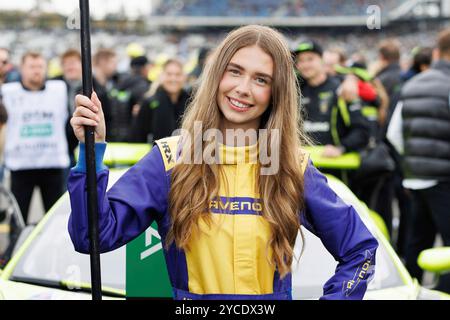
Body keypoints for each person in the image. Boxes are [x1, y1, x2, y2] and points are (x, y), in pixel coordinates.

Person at [68, 25, 378, 300]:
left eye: (261, 79)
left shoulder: (290, 166)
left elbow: (360, 249)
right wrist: (90, 152)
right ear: (216, 76)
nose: (243, 88)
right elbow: (92, 236)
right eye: (234, 71)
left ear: (276, 92)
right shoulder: (171, 158)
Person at [387, 28, 450, 293]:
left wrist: (412, 162)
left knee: (417, 241)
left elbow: (394, 133)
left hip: (415, 177)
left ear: (437, 53)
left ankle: (410, 292)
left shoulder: (412, 84)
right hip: (444, 179)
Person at [1, 52, 69, 224]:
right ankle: (13, 251)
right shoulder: (9, 93)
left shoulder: (59, 90)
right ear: (22, 69)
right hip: (21, 165)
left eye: (40, 66)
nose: (36, 71)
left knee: (55, 219)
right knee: (18, 219)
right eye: (32, 66)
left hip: (52, 164)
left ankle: (55, 250)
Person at [130, 58, 190, 143]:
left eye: (178, 74)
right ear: (162, 76)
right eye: (169, 74)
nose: (173, 78)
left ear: (184, 77)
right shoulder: (149, 102)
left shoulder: (191, 103)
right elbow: (138, 135)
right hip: (156, 154)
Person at [108, 55, 152, 142]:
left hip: (113, 139)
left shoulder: (117, 84)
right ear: (145, 69)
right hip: (135, 140)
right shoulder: (144, 87)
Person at [53, 49, 83, 169]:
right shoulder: (54, 85)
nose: (70, 66)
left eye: (73, 62)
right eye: (66, 63)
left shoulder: (93, 85)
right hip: (62, 143)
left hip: (84, 142)